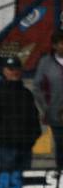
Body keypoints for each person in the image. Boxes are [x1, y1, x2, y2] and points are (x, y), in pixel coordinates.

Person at [0, 56, 41, 170]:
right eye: (11, 69)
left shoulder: (26, 93)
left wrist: (33, 137)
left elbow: (34, 118)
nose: (14, 72)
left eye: (17, 69)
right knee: (7, 181)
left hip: (26, 146)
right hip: (7, 147)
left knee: (23, 181)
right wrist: (5, 136)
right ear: (4, 71)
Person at [33, 30, 63, 169]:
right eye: (62, 43)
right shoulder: (46, 63)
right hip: (56, 115)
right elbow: (37, 87)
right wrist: (47, 109)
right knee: (61, 147)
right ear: (55, 45)